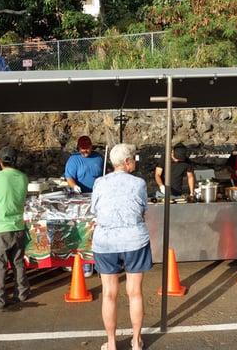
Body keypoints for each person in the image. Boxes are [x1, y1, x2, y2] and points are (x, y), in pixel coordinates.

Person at [91, 143, 151, 350]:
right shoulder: (139, 183)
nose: (134, 162)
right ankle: (136, 341)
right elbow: (143, 209)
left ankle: (112, 343)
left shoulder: (99, 182)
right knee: (135, 292)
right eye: (133, 159)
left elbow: (94, 209)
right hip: (134, 239)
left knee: (109, 293)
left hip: (105, 240)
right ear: (127, 162)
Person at [0, 147, 31, 309]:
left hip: (0, 226)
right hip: (18, 225)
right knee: (17, 262)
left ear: (0, 161)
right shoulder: (23, 178)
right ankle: (21, 292)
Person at [64, 135, 103, 277]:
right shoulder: (74, 159)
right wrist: (74, 186)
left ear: (91, 147)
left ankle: (95, 262)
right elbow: (69, 177)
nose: (85, 151)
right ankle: (77, 261)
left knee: (95, 229)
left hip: (96, 197)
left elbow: (105, 173)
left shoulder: (99, 158)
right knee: (81, 229)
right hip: (79, 198)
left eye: (87, 149)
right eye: (82, 149)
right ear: (78, 148)